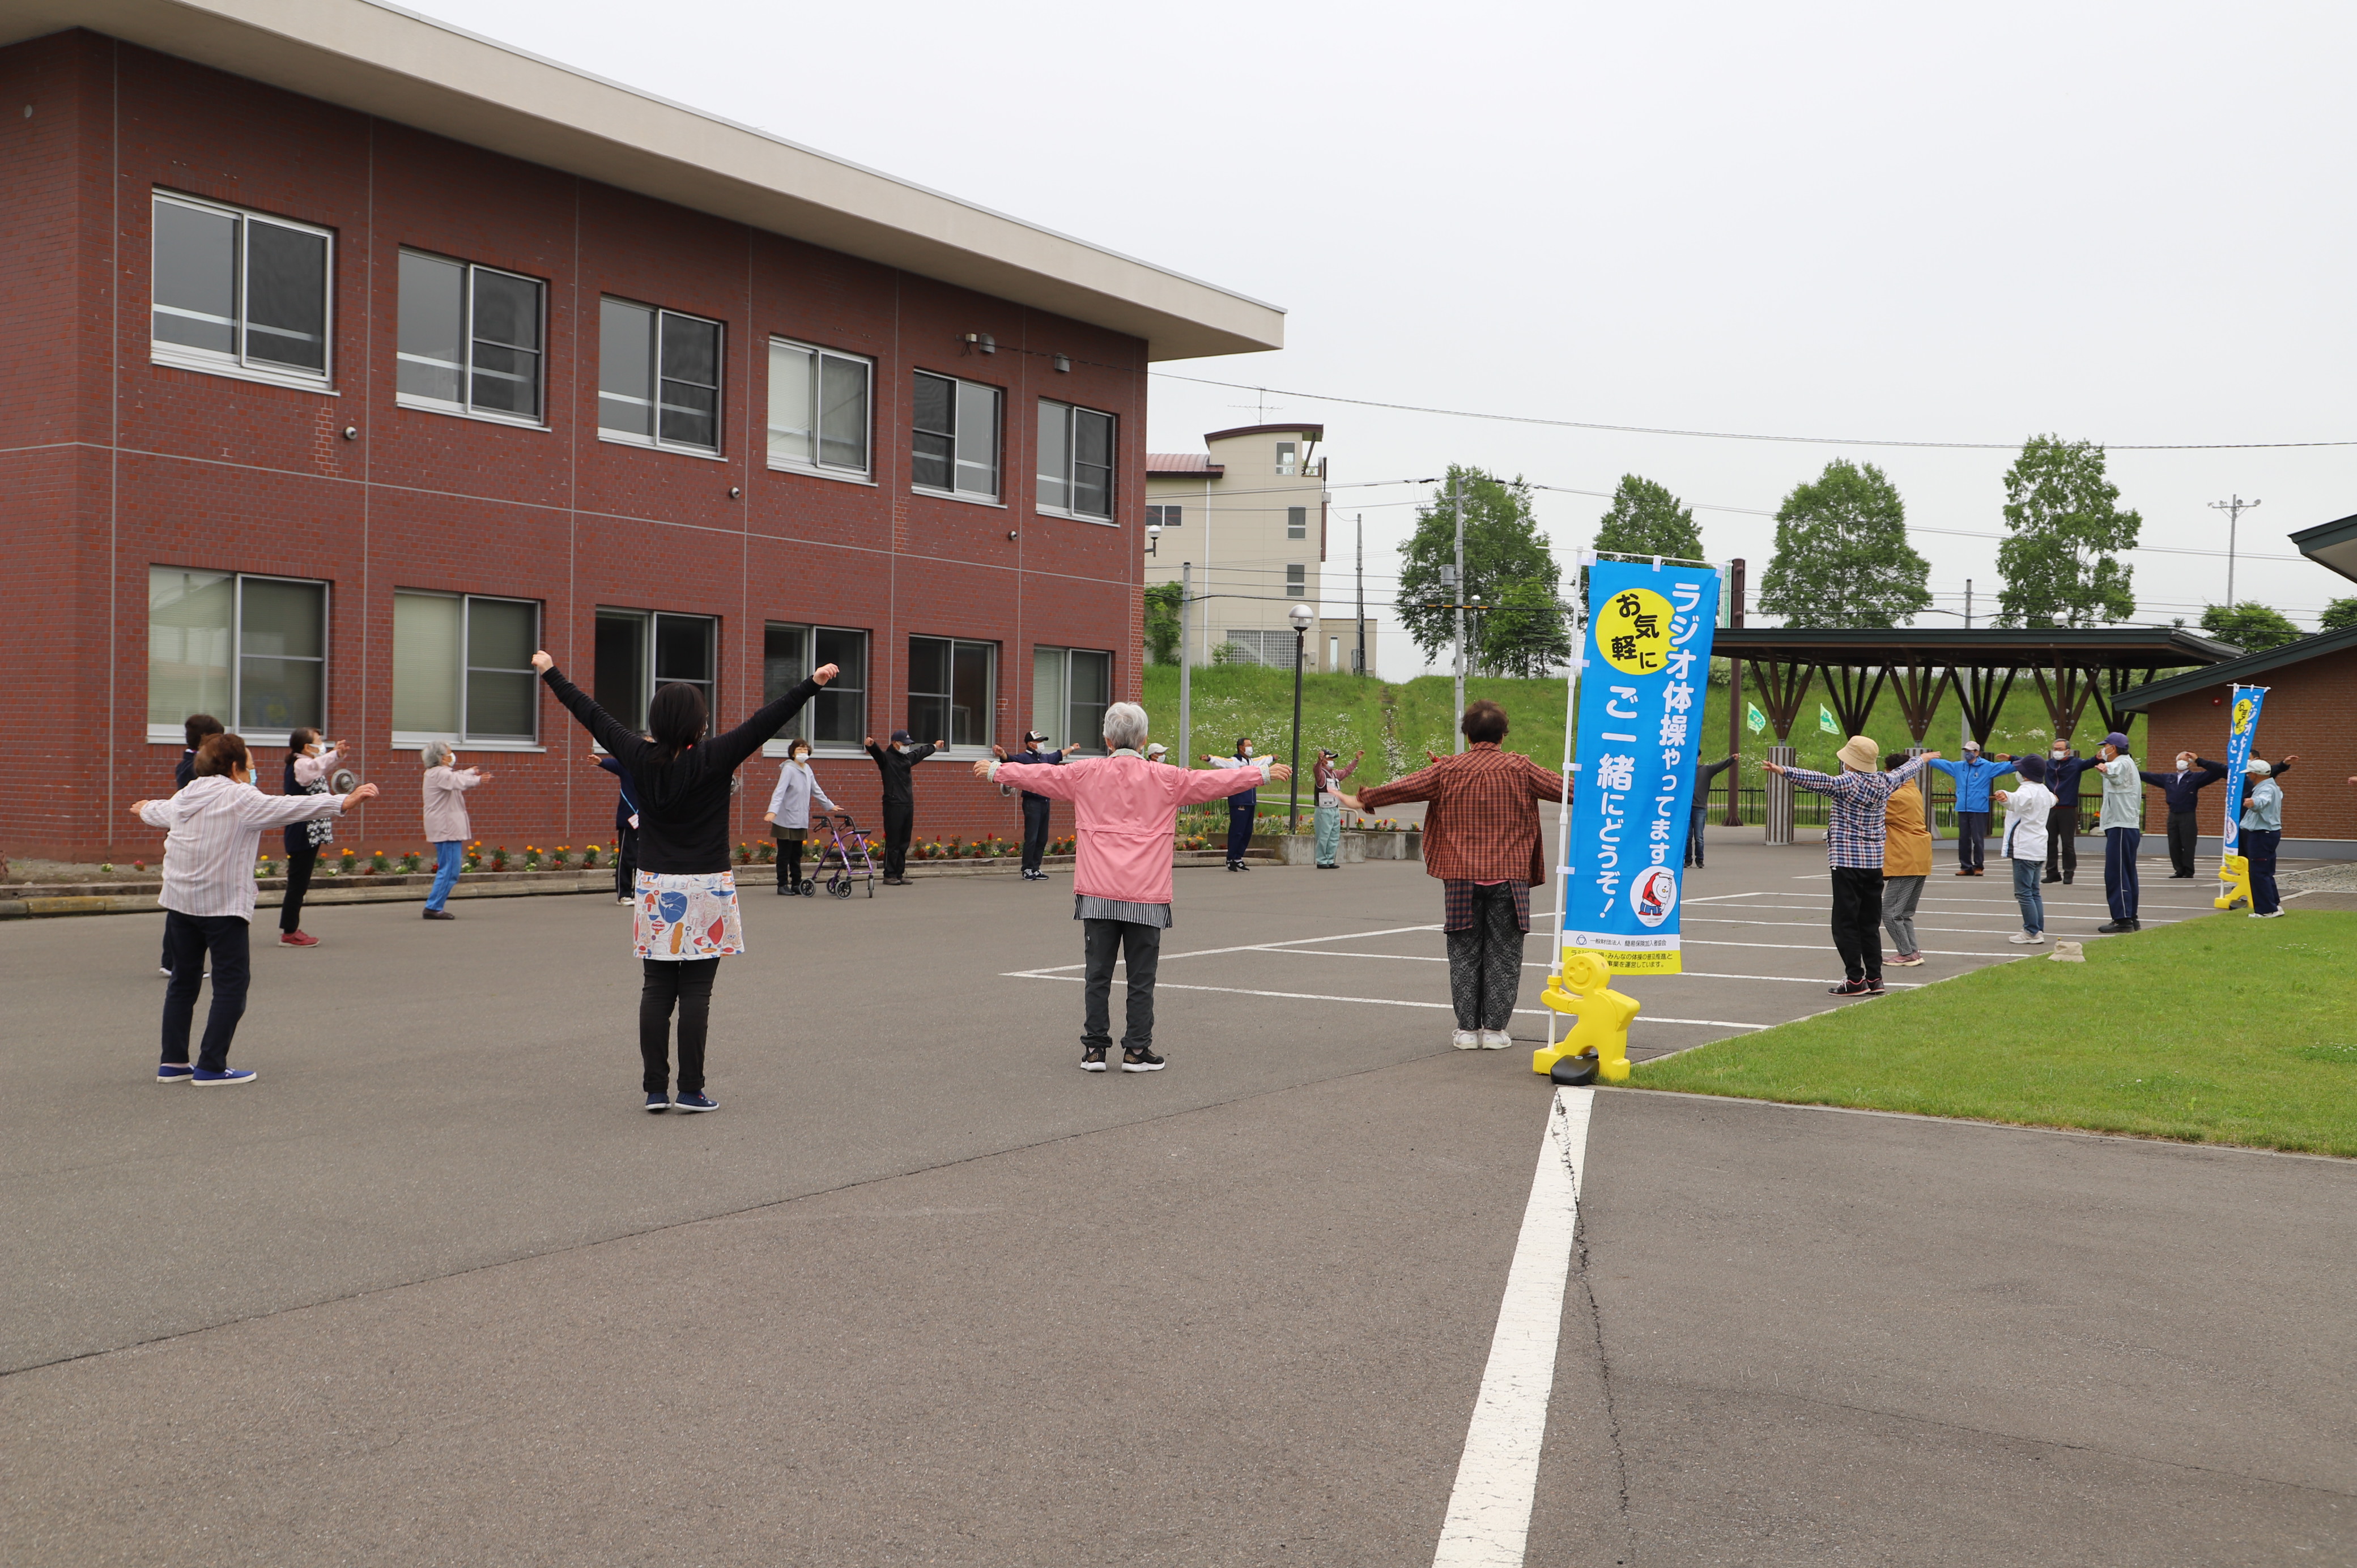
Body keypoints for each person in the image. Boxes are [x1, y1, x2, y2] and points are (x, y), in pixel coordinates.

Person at [536, 647, 837, 1112]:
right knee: (698, 992)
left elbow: (590, 713)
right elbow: (768, 718)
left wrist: (551, 673)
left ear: (656, 721)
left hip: (656, 885)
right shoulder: (716, 756)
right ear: (700, 723)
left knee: (657, 989)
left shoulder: (637, 753)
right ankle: (691, 1090)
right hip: (708, 887)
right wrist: (811, 683)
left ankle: (656, 1090)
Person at [977, 703, 1286, 1072]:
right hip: (1146, 893)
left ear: (1107, 739)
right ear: (1143, 741)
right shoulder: (1167, 777)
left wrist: (998, 770)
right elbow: (1212, 782)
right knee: (1141, 978)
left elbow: (1041, 776)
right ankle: (1137, 1051)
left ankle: (1094, 1050)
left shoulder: (1084, 773)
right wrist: (1260, 774)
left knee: (1097, 975)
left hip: (1097, 892)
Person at [131, 732, 379, 1085]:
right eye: (249, 765)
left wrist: (143, 809)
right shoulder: (241, 796)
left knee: (183, 983)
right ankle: (211, 1067)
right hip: (222, 906)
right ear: (233, 767)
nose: (252, 771)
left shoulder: (186, 794)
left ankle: (173, 1063)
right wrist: (342, 802)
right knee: (231, 984)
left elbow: (159, 812)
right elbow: (290, 807)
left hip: (179, 904)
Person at [1339, 700, 1568, 1050]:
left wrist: (1361, 800)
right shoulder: (1521, 768)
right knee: (1505, 954)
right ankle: (1494, 1031)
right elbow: (1568, 789)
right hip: (1510, 878)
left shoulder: (1447, 770)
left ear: (1467, 734)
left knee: (1463, 952)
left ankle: (1465, 1031)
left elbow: (1404, 787)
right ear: (1504, 735)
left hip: (1461, 877)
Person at [1762, 736, 1933, 997]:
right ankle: (1875, 978)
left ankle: (1855, 979)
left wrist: (1783, 770)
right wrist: (1923, 759)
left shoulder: (1846, 783)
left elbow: (1818, 780)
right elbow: (1904, 770)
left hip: (1846, 862)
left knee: (1845, 922)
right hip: (1874, 863)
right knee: (1869, 922)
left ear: (1849, 763)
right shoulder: (1884, 782)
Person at [157, 713, 226, 975]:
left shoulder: (189, 763)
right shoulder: (193, 767)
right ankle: (174, 961)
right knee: (183, 907)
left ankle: (174, 961)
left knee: (182, 906)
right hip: (191, 840)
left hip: (190, 838)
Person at [2163, 751, 2298, 880]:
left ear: (2256, 761)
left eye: (2248, 758)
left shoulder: (2262, 777)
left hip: (2257, 822)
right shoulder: (2237, 774)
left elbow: (2273, 771)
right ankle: (2244, 879)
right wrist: (2198, 760)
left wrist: (2284, 764)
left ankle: (2256, 883)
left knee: (2255, 856)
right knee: (2241, 852)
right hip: (2238, 819)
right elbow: (2219, 768)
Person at [276, 727, 350, 947]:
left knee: (300, 883)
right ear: (307, 747)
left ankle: (291, 928)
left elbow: (321, 766)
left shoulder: (306, 764)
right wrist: (335, 755)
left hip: (310, 833)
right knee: (297, 884)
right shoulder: (300, 764)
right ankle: (289, 932)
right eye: (318, 741)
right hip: (302, 833)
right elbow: (316, 767)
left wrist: (337, 757)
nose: (322, 744)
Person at [420, 743, 492, 921]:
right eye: (449, 753)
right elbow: (456, 781)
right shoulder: (440, 773)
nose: (452, 756)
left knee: (448, 867)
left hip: (445, 827)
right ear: (441, 758)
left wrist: (469, 772)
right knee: (450, 869)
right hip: (447, 828)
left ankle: (434, 905)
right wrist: (478, 779)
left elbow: (456, 776)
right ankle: (434, 907)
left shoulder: (435, 773)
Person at [1924, 740, 2016, 876]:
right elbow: (1944, 764)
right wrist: (1927, 758)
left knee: (1978, 839)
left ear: (1977, 753)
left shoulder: (1987, 767)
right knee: (1963, 839)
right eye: (1966, 751)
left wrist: (2015, 759)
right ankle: (1966, 866)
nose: (1968, 754)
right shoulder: (1959, 767)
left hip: (1979, 808)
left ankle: (1979, 866)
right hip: (1963, 808)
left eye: (1970, 751)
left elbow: (2010, 767)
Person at [864, 730, 943, 886]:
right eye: (905, 744)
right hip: (893, 805)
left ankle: (899, 873)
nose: (907, 747)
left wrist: (934, 746)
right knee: (893, 841)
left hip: (908, 804)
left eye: (909, 745)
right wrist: (872, 746)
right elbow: (878, 754)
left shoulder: (907, 759)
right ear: (895, 743)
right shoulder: (887, 759)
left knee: (904, 841)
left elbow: (920, 753)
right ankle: (889, 874)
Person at [763, 738, 838, 894]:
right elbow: (779, 791)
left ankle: (796, 883)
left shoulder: (807, 769)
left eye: (805, 749)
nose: (803, 752)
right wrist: (773, 811)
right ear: (792, 752)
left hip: (800, 818)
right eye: (799, 749)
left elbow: (816, 790)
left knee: (797, 853)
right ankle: (782, 884)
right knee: (784, 853)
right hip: (785, 818)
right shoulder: (789, 769)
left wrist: (829, 805)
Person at [1994, 754, 2056, 945]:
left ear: (2026, 774)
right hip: (2038, 847)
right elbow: (2054, 799)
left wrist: (2004, 796)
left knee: (2024, 892)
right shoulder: (2045, 791)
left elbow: (2014, 800)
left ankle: (2031, 931)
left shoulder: (2027, 791)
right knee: (2034, 891)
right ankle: (2037, 929)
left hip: (2024, 848)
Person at [1879, 752, 1932, 966]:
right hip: (1920, 857)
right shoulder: (1912, 791)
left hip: (1905, 857)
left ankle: (1907, 953)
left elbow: (1872, 810)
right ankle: (1912, 951)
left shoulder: (1896, 797)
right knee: (1905, 912)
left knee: (1890, 911)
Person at [992, 730, 1067, 881]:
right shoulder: (1024, 758)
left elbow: (1058, 755)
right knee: (1032, 837)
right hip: (1032, 803)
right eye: (1039, 742)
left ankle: (1036, 867)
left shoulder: (1045, 758)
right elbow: (1010, 760)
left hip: (1045, 801)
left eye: (1042, 741)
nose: (1041, 744)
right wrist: (1003, 753)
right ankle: (1027, 868)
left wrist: (1072, 748)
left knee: (1042, 838)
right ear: (1031, 744)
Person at [2090, 731, 2143, 933]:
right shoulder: (2128, 763)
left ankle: (2122, 919)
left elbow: (2114, 771)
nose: (2103, 750)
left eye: (2106, 746)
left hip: (2121, 825)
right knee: (2128, 872)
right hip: (2125, 825)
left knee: (2116, 872)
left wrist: (2105, 767)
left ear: (2114, 748)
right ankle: (2131, 916)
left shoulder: (2121, 763)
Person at [2041, 740, 2097, 884]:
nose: (2057, 751)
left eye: (2060, 749)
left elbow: (2091, 762)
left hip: (2068, 809)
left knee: (2068, 843)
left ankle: (2069, 873)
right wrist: (2011, 758)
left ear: (2068, 751)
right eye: (2055, 749)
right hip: (2051, 808)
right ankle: (2052, 872)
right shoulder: (2049, 764)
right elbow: (2029, 763)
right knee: (2050, 842)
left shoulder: (2076, 763)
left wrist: (2101, 756)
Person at [1203, 738, 1262, 871]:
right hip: (1239, 801)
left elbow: (1264, 760)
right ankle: (1230, 859)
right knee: (1237, 831)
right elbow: (1222, 762)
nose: (1251, 747)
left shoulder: (1252, 762)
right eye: (1248, 745)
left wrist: (1273, 758)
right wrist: (1209, 759)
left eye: (1251, 745)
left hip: (1250, 801)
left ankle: (1238, 857)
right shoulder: (1235, 762)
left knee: (1247, 832)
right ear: (1241, 748)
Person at [594, 749, 644, 904]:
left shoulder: (654, 767)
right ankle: (625, 894)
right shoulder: (627, 764)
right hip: (629, 818)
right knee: (628, 857)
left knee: (644, 859)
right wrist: (601, 762)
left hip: (649, 821)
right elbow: (612, 763)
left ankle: (641, 893)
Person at [2240, 759, 2284, 918]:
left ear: (2254, 774)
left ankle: (2266, 910)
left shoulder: (2264, 789)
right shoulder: (2273, 786)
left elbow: (2263, 800)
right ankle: (2275, 905)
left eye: (2249, 774)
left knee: (2258, 873)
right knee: (2266, 872)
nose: (2248, 777)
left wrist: (2254, 802)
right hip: (2270, 834)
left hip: (2261, 834)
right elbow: (2278, 796)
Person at [1312, 748, 1363, 869]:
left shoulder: (1334, 774)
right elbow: (1316, 770)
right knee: (1324, 836)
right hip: (1324, 809)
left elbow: (1347, 771)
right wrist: (1318, 762)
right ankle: (1321, 860)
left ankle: (1330, 859)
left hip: (1334, 808)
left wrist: (1356, 760)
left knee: (1334, 835)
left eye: (1333, 759)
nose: (1332, 761)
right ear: (1324, 760)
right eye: (1329, 758)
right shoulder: (1321, 774)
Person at [1684, 754, 1737, 869]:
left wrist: (1732, 759)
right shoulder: (1685, 770)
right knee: (1687, 836)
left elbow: (1720, 766)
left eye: (1696, 757)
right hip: (1687, 808)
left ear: (1699, 758)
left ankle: (1700, 859)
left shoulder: (1706, 770)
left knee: (1699, 836)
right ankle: (1688, 859)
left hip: (1700, 808)